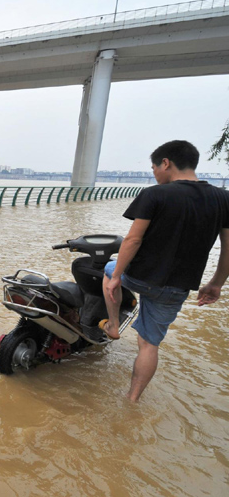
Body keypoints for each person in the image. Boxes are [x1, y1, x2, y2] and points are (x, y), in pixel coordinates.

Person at [101, 140, 229, 402]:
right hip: (177, 286)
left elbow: (132, 240)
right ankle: (133, 398)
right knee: (150, 344)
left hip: (139, 277)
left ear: (166, 163)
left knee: (108, 268)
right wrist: (216, 284)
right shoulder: (223, 198)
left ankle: (113, 325)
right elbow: (228, 247)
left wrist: (116, 278)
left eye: (154, 167)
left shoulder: (155, 194)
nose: (154, 173)